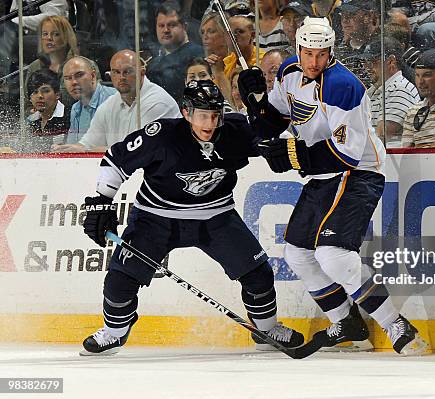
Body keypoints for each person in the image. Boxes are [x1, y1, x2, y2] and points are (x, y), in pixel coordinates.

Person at [237, 17, 428, 355]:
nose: (314, 62)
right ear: (298, 50)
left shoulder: (343, 86)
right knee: (297, 253)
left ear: (331, 52)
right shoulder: (289, 73)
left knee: (334, 255)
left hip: (358, 174)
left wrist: (291, 154)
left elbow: (346, 154)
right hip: (323, 176)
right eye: (308, 53)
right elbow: (277, 120)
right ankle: (347, 323)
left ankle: (395, 324)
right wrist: (256, 103)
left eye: (321, 54)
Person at [79, 79, 305, 355]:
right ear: (186, 113)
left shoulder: (234, 130)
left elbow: (275, 136)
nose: (209, 123)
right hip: (155, 217)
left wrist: (264, 115)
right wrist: (102, 201)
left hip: (216, 216)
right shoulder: (161, 134)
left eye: (214, 115)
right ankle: (114, 333)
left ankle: (267, 329)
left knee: (258, 274)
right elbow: (116, 160)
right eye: (201, 115)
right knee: (120, 279)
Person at [53, 50, 181, 152]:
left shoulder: (157, 103)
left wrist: (86, 150)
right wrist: (71, 149)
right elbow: (87, 143)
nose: (121, 77)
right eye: (116, 72)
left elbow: (138, 151)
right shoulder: (108, 105)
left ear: (142, 73)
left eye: (127, 72)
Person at [359, 37, 420, 147]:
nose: (367, 68)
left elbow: (381, 136)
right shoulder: (375, 90)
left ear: (391, 61)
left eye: (373, 62)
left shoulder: (400, 89)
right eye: (365, 62)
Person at [146, 1, 203, 104]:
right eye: (161, 25)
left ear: (184, 27)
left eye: (172, 25)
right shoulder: (153, 63)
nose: (166, 30)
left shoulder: (198, 56)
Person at [402, 50, 435, 148]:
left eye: (427, 75)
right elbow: (407, 152)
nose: (420, 81)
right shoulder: (412, 112)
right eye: (417, 75)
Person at [62, 56, 117, 144]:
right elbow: (73, 146)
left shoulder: (115, 100)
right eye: (68, 78)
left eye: (79, 75)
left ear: (93, 76)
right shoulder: (75, 109)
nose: (73, 82)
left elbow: (124, 147)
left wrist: (84, 149)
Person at [25, 69, 70, 152]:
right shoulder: (31, 120)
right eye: (35, 92)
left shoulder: (70, 116)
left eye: (45, 91)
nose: (40, 96)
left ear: (57, 95)